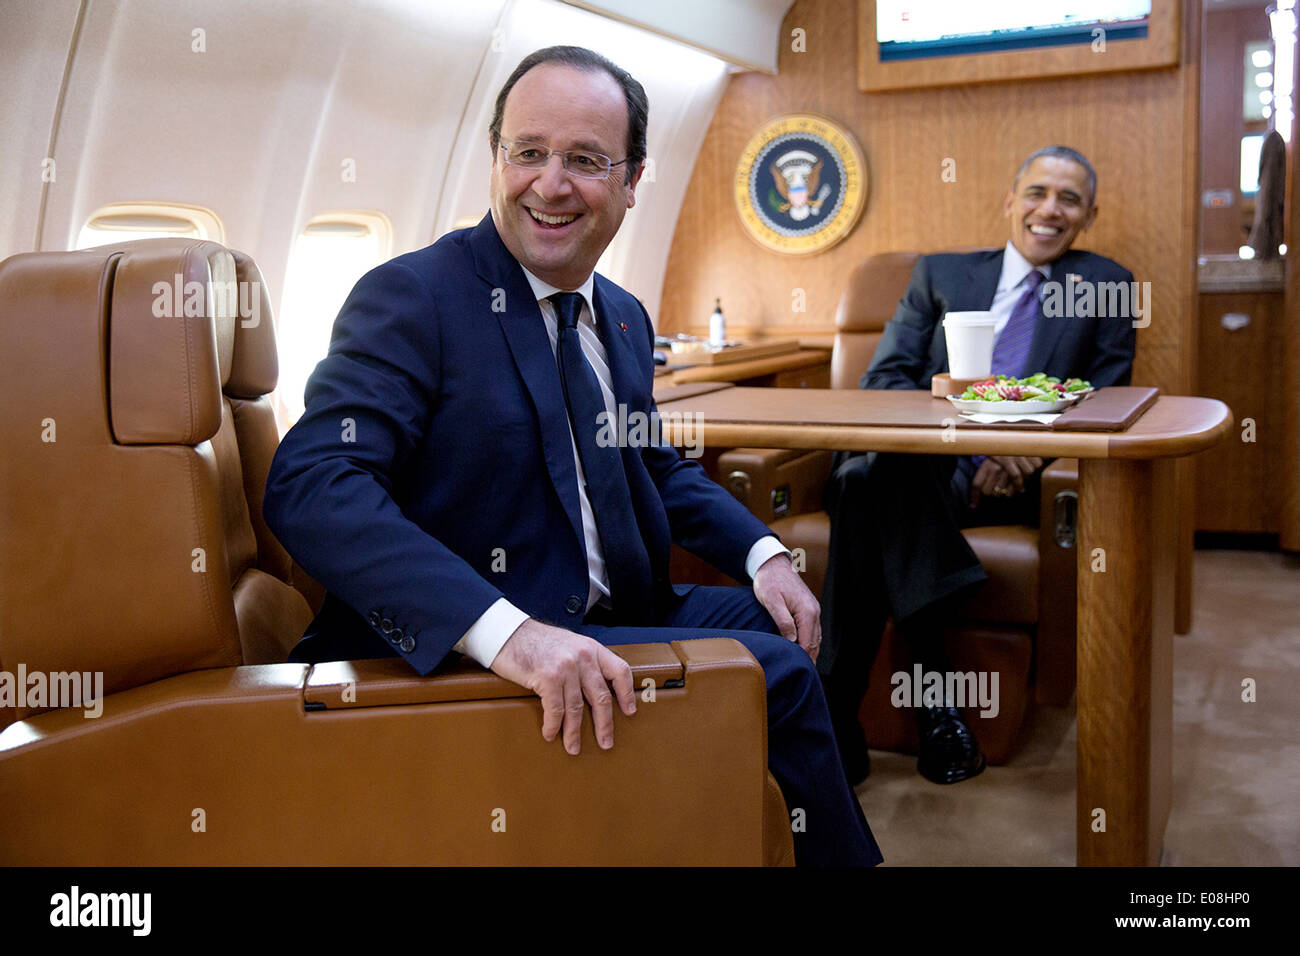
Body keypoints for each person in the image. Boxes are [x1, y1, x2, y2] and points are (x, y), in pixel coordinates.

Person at [263, 45, 881, 867]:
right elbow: (313, 486)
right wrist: (510, 635)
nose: (550, 185)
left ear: (631, 184)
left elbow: (651, 463)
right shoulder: (415, 297)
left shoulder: (620, 314)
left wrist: (764, 555)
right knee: (781, 675)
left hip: (616, 610)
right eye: (528, 153)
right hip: (465, 650)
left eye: (585, 160)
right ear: (496, 161)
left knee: (799, 616)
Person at [819, 146, 1137, 787]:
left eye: (1068, 200)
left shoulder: (1105, 286)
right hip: (926, 457)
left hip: (1016, 481)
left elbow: (1109, 399)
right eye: (1037, 192)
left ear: (1088, 216)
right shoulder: (942, 275)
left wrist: (1029, 450)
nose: (1049, 210)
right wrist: (969, 433)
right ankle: (938, 714)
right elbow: (885, 380)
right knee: (876, 478)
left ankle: (832, 718)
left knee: (862, 486)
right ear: (1010, 202)